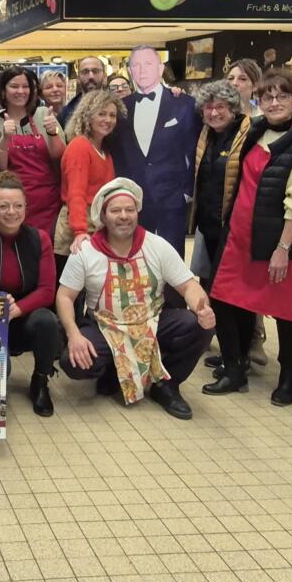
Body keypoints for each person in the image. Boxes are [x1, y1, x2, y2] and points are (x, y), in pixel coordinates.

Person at [202, 69, 292, 407]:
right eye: (267, 96)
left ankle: (289, 377)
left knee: (286, 311)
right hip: (239, 234)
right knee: (224, 298)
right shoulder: (254, 132)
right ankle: (234, 367)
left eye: (282, 96)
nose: (274, 102)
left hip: (277, 242)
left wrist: (283, 248)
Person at [57, 178, 216, 420]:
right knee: (73, 361)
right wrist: (73, 334)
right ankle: (112, 371)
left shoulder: (156, 245)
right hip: (106, 328)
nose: (123, 216)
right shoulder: (86, 252)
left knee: (199, 326)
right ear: (103, 215)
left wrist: (201, 307)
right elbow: (65, 296)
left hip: (151, 323)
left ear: (137, 213)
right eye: (116, 210)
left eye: (129, 210)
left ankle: (167, 386)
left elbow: (188, 285)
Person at [0, 172, 61, 416]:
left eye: (18, 205)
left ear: (26, 207)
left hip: (26, 316)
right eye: (4, 206)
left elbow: (47, 291)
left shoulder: (40, 239)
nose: (12, 212)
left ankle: (40, 381)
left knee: (48, 321)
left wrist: (15, 310)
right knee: (2, 374)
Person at [112, 45, 200, 259]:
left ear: (160, 68)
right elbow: (116, 152)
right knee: (134, 260)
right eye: (136, 65)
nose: (142, 70)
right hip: (132, 201)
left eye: (148, 64)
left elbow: (195, 148)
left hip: (172, 198)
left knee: (172, 262)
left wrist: (186, 192)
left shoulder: (185, 104)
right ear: (130, 71)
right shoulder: (120, 107)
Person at [0, 66, 65, 238]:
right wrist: (6, 138)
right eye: (14, 86)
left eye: (26, 86)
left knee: (45, 249)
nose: (21, 91)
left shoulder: (44, 114)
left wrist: (53, 132)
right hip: (11, 204)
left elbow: (59, 155)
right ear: (3, 91)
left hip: (48, 203)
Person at [189, 80, 251, 288]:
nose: (214, 113)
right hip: (208, 226)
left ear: (233, 109)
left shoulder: (249, 133)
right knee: (210, 285)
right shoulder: (205, 135)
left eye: (220, 107)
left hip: (236, 229)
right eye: (209, 107)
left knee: (233, 288)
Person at [54, 89, 123, 259]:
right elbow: (75, 193)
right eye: (101, 114)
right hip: (77, 227)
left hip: (97, 225)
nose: (108, 120)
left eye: (112, 115)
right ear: (87, 116)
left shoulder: (104, 151)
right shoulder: (80, 146)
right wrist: (79, 230)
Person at [58, 56, 106, 126]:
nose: (91, 76)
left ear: (104, 77)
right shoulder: (65, 114)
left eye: (95, 71)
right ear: (78, 79)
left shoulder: (117, 108)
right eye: (85, 72)